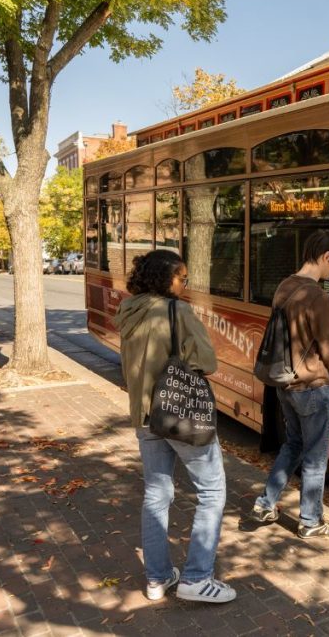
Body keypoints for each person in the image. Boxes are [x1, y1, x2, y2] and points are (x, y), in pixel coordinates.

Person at [114, 250, 235, 604]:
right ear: (164, 278)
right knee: (212, 491)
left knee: (157, 494)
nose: (186, 283)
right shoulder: (176, 310)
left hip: (145, 416)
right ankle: (198, 578)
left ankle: (158, 577)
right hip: (179, 415)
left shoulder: (128, 310)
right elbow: (205, 362)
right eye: (182, 277)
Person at [248, 229, 329, 538]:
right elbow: (328, 343)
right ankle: (310, 521)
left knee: (293, 445)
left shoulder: (285, 286)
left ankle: (266, 502)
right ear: (325, 256)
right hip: (312, 385)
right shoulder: (315, 294)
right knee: (316, 458)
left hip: (285, 384)